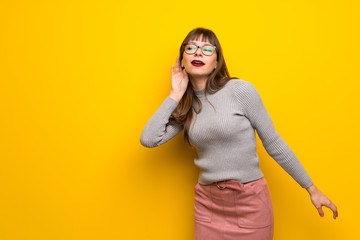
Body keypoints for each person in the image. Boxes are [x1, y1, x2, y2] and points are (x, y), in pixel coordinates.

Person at [140, 27, 338, 240]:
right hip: (208, 205)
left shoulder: (240, 91)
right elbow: (149, 139)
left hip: (250, 203)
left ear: (217, 62)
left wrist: (311, 189)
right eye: (191, 48)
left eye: (207, 49)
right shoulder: (187, 106)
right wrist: (175, 94)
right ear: (182, 62)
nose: (198, 52)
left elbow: (273, 143)